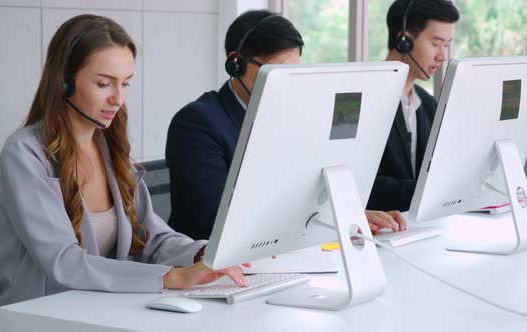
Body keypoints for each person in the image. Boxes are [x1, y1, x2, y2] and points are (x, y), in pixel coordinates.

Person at [0, 14, 246, 325]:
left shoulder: (109, 149)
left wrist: (204, 255)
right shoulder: (25, 154)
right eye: (103, 83)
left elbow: (152, 239)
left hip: (103, 318)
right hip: (39, 321)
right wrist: (171, 278)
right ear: (64, 81)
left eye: (125, 83)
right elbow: (64, 262)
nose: (118, 98)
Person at [166, 9, 406, 241]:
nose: (284, 84)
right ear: (235, 64)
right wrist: (332, 223)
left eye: (292, 72)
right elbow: (216, 221)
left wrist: (350, 218)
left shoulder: (294, 119)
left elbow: (308, 197)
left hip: (283, 256)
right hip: (208, 270)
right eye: (275, 72)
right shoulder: (196, 124)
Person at [367, 0, 459, 212]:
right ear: (404, 41)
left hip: (418, 231)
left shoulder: (427, 105)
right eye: (436, 43)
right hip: (377, 235)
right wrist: (436, 190)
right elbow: (365, 186)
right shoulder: (365, 102)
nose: (443, 56)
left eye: (446, 45)